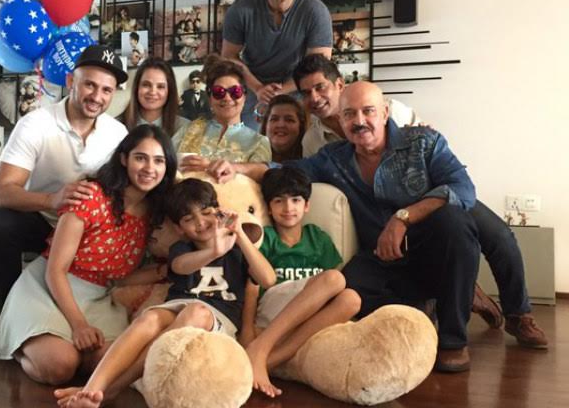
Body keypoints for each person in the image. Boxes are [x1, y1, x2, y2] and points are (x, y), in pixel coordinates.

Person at [207, 82, 484, 372]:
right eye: (349, 114)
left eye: (368, 111)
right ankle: (418, 306)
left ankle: (453, 340)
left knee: (456, 222)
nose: (359, 121)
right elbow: (285, 171)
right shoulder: (334, 158)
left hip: (430, 251)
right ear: (340, 119)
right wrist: (237, 168)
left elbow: (462, 189)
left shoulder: (424, 141)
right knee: (342, 297)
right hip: (379, 257)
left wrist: (403, 218)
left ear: (385, 113)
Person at [292, 54, 548, 350]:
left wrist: (405, 215)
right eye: (306, 92)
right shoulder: (314, 140)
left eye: (320, 87)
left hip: (431, 194)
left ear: (339, 85)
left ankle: (518, 314)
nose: (314, 97)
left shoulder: (397, 112)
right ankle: (447, 295)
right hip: (380, 212)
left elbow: (437, 158)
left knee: (494, 234)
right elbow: (306, 170)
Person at [0, 125, 177, 385]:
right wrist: (79, 326)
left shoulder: (155, 213)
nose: (149, 168)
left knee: (108, 363)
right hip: (49, 287)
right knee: (60, 366)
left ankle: (63, 348)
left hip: (100, 297)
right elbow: (55, 270)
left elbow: (121, 278)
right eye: (140, 158)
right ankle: (14, 344)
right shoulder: (89, 195)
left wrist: (168, 270)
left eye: (158, 161)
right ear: (124, 159)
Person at [58, 178, 276, 408]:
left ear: (218, 212)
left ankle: (114, 388)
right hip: (176, 308)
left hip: (217, 319)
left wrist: (238, 233)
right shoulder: (181, 249)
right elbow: (181, 266)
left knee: (196, 312)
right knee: (149, 318)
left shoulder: (238, 249)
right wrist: (213, 252)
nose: (200, 223)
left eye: (206, 213)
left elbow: (268, 279)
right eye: (189, 219)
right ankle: (92, 388)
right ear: (179, 228)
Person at [0, 45, 129, 315]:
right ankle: (7, 316)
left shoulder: (118, 133)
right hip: (44, 223)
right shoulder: (35, 124)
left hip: (88, 231)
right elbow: (1, 193)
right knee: (0, 222)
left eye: (106, 90)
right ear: (71, 81)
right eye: (89, 85)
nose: (97, 96)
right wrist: (52, 199)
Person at [241, 166, 361, 397]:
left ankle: (270, 361)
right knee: (334, 279)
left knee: (352, 300)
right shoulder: (266, 239)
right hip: (272, 312)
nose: (288, 208)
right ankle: (260, 347)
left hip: (306, 315)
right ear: (269, 207)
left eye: (295, 200)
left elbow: (332, 291)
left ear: (306, 205)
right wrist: (247, 330)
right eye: (279, 201)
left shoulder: (318, 237)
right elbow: (252, 288)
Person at [221, 0, 332, 129]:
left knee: (299, 140)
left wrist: (280, 91)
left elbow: (318, 64)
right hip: (252, 85)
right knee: (245, 140)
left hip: (297, 85)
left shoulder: (316, 12)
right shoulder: (240, 9)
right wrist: (258, 88)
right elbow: (228, 56)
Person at [173, 59, 271, 171]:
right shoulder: (189, 130)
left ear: (244, 97)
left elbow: (262, 175)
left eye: (235, 91)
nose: (227, 98)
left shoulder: (258, 142)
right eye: (219, 92)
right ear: (210, 98)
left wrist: (212, 166)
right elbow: (166, 161)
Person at [122, 58, 188, 137]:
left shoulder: (185, 129)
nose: (153, 92)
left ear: (170, 90)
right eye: (146, 85)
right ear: (137, 88)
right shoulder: (116, 127)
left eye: (160, 86)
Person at [259, 94, 307, 162]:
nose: (281, 125)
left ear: (300, 126)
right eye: (274, 119)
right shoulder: (248, 157)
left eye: (289, 120)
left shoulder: (311, 159)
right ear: (265, 126)